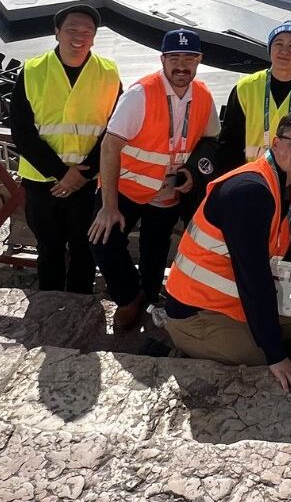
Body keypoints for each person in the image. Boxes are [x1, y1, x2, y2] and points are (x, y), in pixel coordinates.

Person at [163, 111, 291, 392]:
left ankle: (249, 333)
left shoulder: (286, 190)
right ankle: (187, 343)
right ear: (276, 144)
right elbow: (254, 279)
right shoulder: (249, 191)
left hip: (232, 300)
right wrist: (276, 355)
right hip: (197, 312)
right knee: (265, 360)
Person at [89, 29, 215, 334]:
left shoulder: (203, 95)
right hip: (127, 188)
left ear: (199, 60)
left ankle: (148, 296)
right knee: (103, 241)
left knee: (155, 249)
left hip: (168, 191)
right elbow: (110, 146)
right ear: (162, 60)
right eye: (175, 58)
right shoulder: (140, 94)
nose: (181, 65)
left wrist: (193, 172)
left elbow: (210, 141)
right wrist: (108, 205)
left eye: (189, 58)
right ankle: (128, 297)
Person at [7, 4, 121, 292]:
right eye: (72, 29)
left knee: (85, 247)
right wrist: (62, 172)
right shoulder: (33, 70)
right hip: (41, 181)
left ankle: (79, 305)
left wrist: (82, 173)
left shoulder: (109, 72)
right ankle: (50, 302)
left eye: (87, 31)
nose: (79, 36)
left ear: (94, 37)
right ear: (57, 32)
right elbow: (21, 130)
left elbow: (114, 130)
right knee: (49, 247)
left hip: (87, 182)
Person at [216, 21, 291, 198]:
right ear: (270, 49)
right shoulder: (245, 89)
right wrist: (243, 182)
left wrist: (287, 186)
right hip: (250, 186)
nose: (284, 51)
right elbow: (229, 145)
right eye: (278, 44)